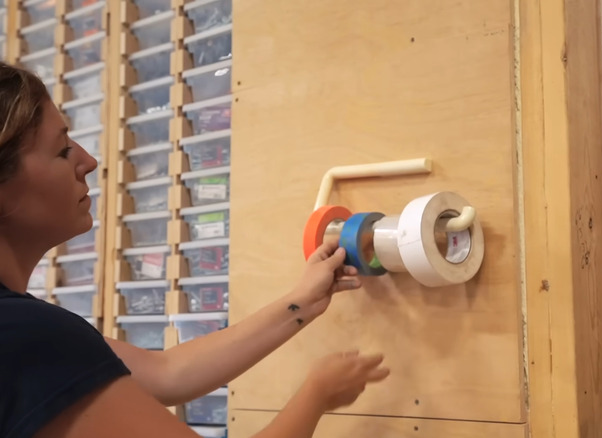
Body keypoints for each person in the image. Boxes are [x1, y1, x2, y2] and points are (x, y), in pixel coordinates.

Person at [0, 62, 390, 438]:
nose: (88, 160)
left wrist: (301, 302)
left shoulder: (23, 331)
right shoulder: (26, 336)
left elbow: (167, 374)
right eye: (62, 150)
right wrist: (317, 393)